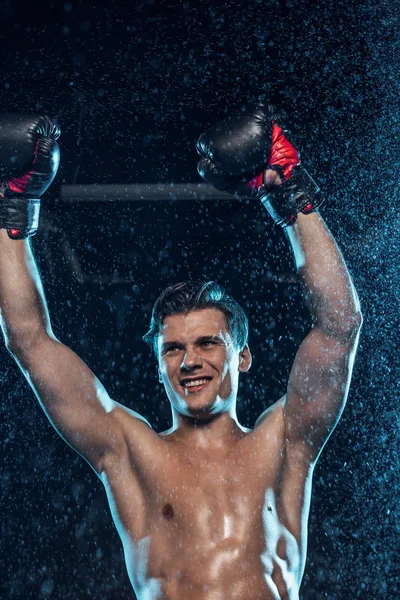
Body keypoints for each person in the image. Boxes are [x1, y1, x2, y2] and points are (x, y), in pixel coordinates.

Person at [0, 105, 362, 599]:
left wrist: (291, 192)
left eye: (208, 343)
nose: (190, 361)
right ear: (159, 365)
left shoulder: (283, 442)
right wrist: (13, 211)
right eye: (173, 349)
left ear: (242, 356)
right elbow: (29, 340)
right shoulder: (132, 452)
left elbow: (340, 325)